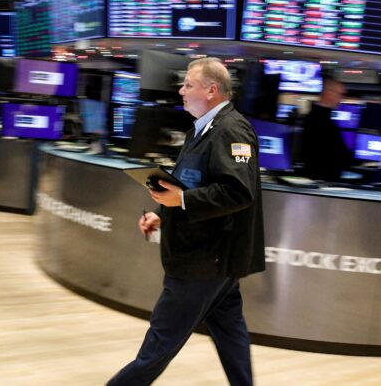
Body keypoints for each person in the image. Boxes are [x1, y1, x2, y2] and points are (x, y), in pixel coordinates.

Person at [108, 57, 265, 386]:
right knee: (230, 335)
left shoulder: (231, 130)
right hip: (214, 259)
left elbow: (238, 192)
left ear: (211, 90)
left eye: (188, 85)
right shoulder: (203, 128)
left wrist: (179, 201)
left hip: (203, 261)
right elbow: (192, 184)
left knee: (158, 346)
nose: (180, 91)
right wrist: (163, 214)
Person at [300, 78, 354, 181]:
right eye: (340, 94)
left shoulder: (316, 117)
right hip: (322, 181)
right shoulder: (321, 121)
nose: (341, 99)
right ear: (329, 93)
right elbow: (338, 156)